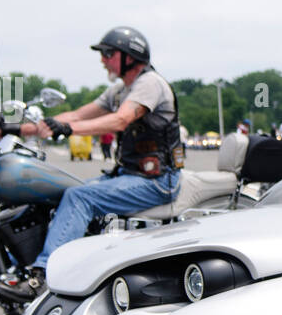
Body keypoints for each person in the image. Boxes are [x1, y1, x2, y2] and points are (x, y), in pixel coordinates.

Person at [18, 26, 181, 293]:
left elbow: (121, 120)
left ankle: (45, 276)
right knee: (57, 193)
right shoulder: (120, 90)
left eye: (108, 53)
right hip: (128, 176)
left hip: (159, 181)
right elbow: (79, 114)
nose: (103, 59)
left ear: (130, 56)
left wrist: (68, 131)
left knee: (78, 196)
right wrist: (17, 128)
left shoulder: (149, 84)